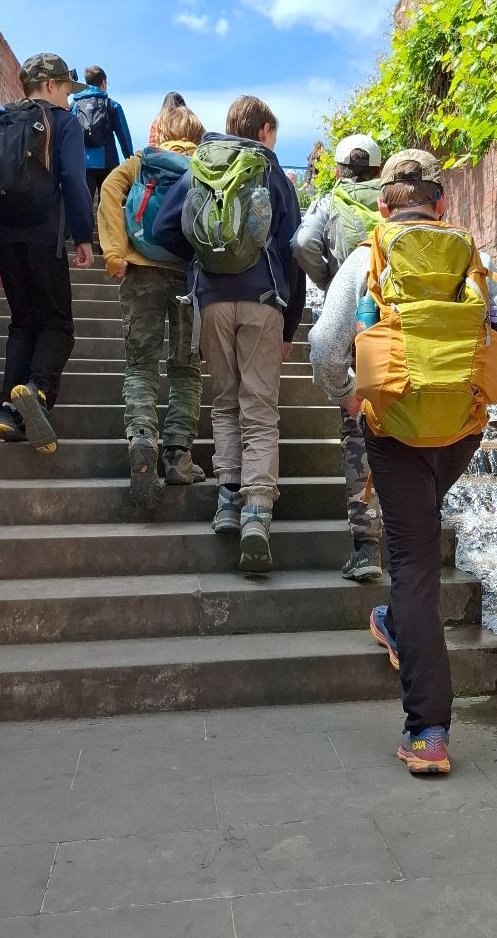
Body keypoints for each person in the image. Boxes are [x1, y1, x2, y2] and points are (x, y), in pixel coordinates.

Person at [309, 149, 497, 776]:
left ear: (382, 206)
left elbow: (325, 346)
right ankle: (396, 621)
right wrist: (490, 393)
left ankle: (428, 731)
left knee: (412, 562)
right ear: (441, 203)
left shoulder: (367, 257)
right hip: (459, 429)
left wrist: (348, 394)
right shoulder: (472, 257)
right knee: (419, 538)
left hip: (394, 429)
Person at [150, 95, 305, 575]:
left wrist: (204, 256)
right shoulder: (270, 171)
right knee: (259, 406)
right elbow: (295, 249)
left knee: (224, 402)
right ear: (263, 131)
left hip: (211, 300)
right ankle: (257, 511)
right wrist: (291, 322)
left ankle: (226, 500)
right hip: (263, 300)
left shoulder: (202, 166)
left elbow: (163, 227)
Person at [0, 52, 95, 453]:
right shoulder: (64, 123)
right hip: (45, 237)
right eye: (66, 90)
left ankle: (6, 410)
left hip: (5, 237)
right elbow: (74, 180)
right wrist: (83, 236)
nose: (68, 98)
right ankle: (37, 389)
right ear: (50, 85)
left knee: (23, 323)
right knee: (58, 324)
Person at [97, 103, 206, 512]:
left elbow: (110, 191)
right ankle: (178, 456)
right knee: (186, 368)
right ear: (197, 136)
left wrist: (114, 253)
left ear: (161, 133)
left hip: (140, 270)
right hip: (190, 277)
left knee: (141, 365)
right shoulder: (206, 166)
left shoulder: (141, 161)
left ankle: (142, 437)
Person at [293, 133, 385, 582]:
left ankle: (366, 547)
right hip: (398, 325)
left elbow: (302, 243)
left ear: (339, 169)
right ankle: (409, 538)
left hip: (351, 321)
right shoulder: (392, 203)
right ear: (379, 170)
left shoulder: (330, 201)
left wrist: (331, 282)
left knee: (356, 426)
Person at [70, 67, 134, 220]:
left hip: (83, 164)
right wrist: (130, 159)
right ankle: (104, 236)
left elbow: (69, 135)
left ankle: (82, 234)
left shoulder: (74, 105)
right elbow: (123, 136)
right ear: (103, 83)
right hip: (108, 163)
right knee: (107, 208)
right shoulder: (112, 105)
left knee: (83, 207)